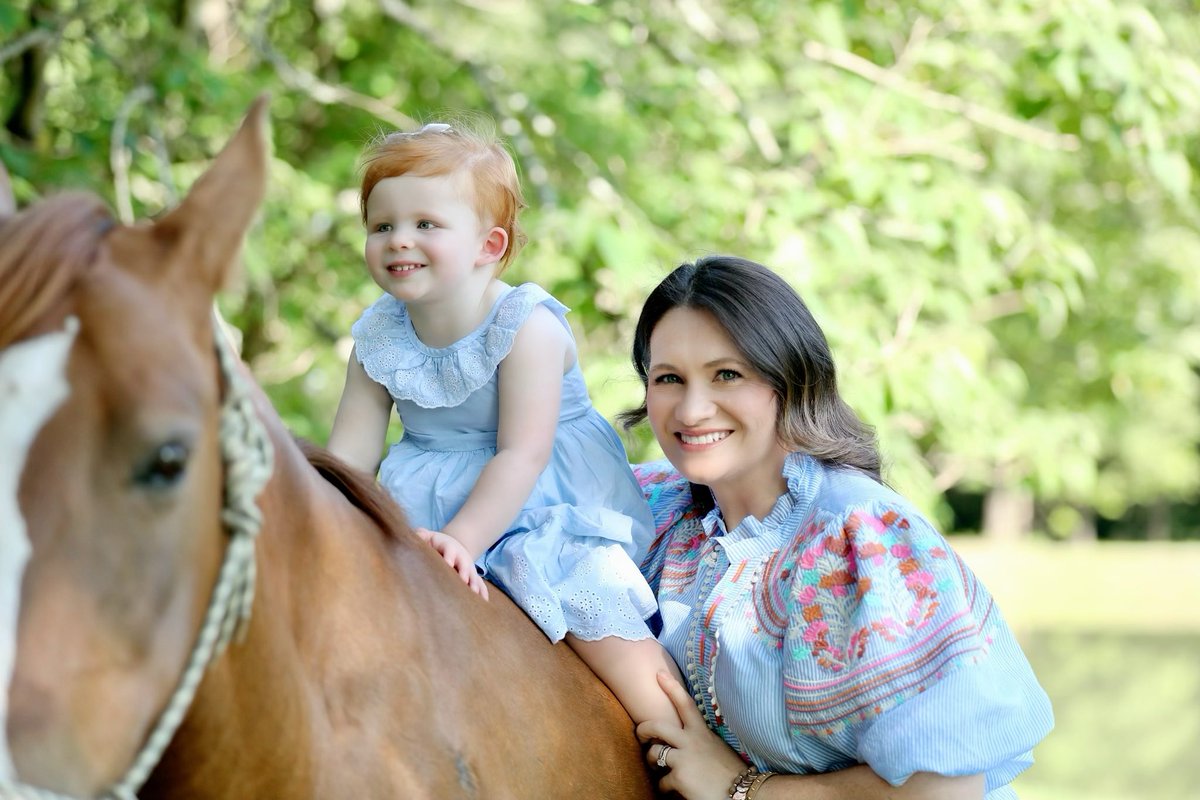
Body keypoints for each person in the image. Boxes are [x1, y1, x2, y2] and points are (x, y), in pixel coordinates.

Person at [622, 255, 1054, 799]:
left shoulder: (857, 536)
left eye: (726, 374)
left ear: (789, 377)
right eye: (669, 379)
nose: (692, 408)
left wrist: (741, 789)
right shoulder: (658, 511)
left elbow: (947, 790)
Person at [326, 120, 682, 729]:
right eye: (381, 226)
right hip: (426, 502)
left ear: (488, 247)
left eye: (425, 225)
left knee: (588, 607)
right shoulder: (377, 339)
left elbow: (523, 453)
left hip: (541, 501)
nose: (397, 241)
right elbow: (347, 461)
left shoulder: (525, 326)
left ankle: (687, 738)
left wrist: (462, 539)